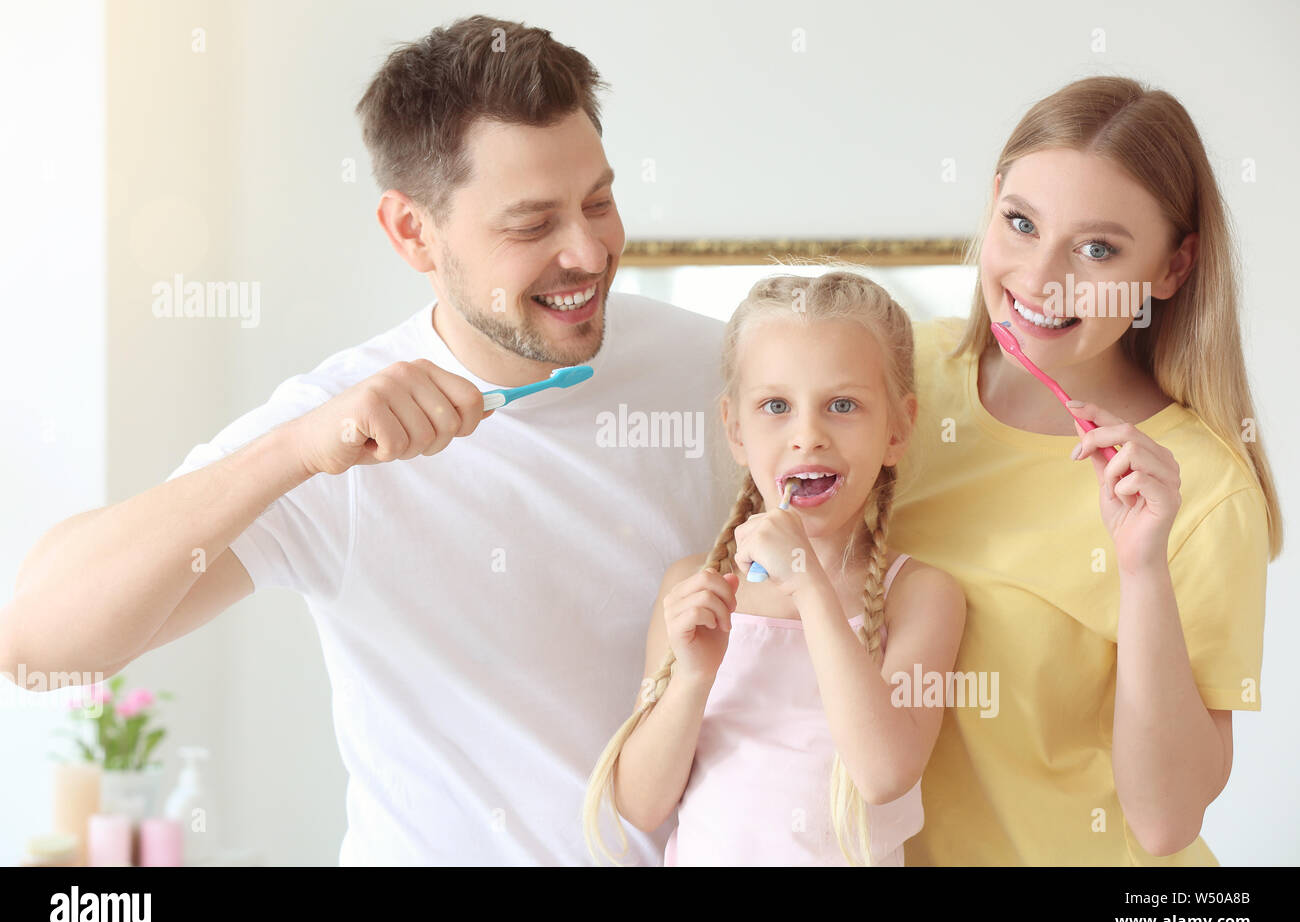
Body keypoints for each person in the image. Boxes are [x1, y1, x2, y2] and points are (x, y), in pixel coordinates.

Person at [0, 16, 733, 865]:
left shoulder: (717, 372)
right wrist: (291, 453)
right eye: (532, 226)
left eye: (599, 201)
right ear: (411, 232)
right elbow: (36, 650)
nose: (590, 250)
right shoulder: (331, 434)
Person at [887, 76, 1282, 865]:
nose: (1040, 279)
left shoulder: (1198, 490)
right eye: (1022, 223)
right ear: (992, 201)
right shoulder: (892, 382)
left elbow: (1167, 823)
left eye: (1098, 249)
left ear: (1173, 268)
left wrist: (1142, 574)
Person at [583, 270, 966, 865]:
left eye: (843, 405)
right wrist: (691, 677)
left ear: (898, 429)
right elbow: (640, 804)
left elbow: (884, 774)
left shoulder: (921, 596)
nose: (807, 435)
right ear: (736, 429)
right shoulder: (691, 587)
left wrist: (811, 590)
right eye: (775, 407)